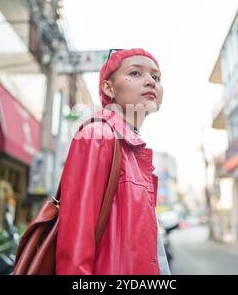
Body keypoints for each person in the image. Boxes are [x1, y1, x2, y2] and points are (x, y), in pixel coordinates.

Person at [55, 48, 170, 275]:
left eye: (155, 77)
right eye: (136, 73)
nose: (150, 82)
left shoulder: (133, 150)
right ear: (109, 88)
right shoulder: (98, 136)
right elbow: (76, 239)